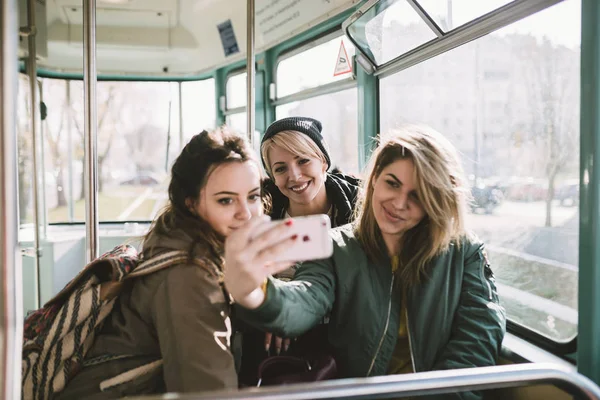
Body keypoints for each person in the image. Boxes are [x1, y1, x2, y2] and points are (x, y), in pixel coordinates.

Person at [225, 125, 507, 400]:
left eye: (417, 194)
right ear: (374, 180)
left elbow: (479, 336)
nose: (398, 203)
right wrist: (254, 291)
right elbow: (305, 299)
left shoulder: (463, 252)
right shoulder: (338, 246)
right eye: (392, 184)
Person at [57, 128, 285, 399]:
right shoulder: (189, 276)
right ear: (191, 203)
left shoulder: (184, 243)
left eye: (253, 196)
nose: (246, 213)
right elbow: (208, 392)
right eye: (226, 200)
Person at [238, 117, 360, 385]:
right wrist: (282, 311)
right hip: (275, 341)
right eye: (281, 169)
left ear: (323, 162)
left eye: (303, 161)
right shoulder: (263, 215)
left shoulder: (360, 209)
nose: (294, 176)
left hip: (342, 329)